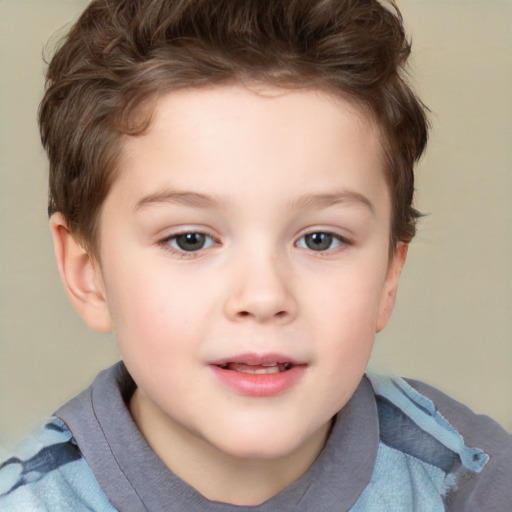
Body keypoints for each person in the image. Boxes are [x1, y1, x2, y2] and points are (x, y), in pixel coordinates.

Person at [0, 0, 510, 509]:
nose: (264, 297)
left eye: (319, 239)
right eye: (190, 239)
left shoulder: (476, 486)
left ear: (388, 277)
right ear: (87, 272)